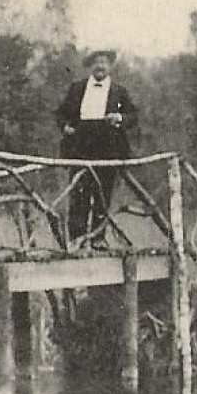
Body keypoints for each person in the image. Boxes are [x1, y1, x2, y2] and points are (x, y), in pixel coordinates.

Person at [55, 49, 139, 248]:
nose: (100, 66)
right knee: (79, 194)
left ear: (110, 66)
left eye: (104, 62)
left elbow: (133, 116)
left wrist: (119, 118)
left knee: (103, 194)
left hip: (108, 147)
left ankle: (98, 238)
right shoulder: (77, 89)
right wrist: (65, 126)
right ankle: (76, 240)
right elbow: (60, 114)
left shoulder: (119, 91)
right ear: (90, 66)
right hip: (80, 146)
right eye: (97, 62)